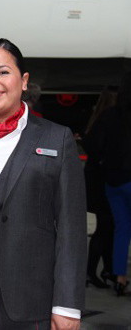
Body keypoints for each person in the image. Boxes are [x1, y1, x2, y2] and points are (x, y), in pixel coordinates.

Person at [0, 38, 86, 329]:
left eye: (3, 72)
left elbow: (72, 228)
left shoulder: (56, 139)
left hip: (28, 301)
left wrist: (67, 305)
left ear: (24, 81)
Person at [84, 72, 131, 297]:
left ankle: (119, 276)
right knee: (115, 228)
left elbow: (92, 143)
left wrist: (105, 163)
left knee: (121, 229)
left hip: (112, 181)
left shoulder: (110, 115)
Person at [82, 87, 118, 289]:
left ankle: (104, 270)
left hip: (95, 180)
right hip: (102, 182)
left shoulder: (96, 121)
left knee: (106, 227)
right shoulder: (108, 121)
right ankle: (96, 271)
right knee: (106, 227)